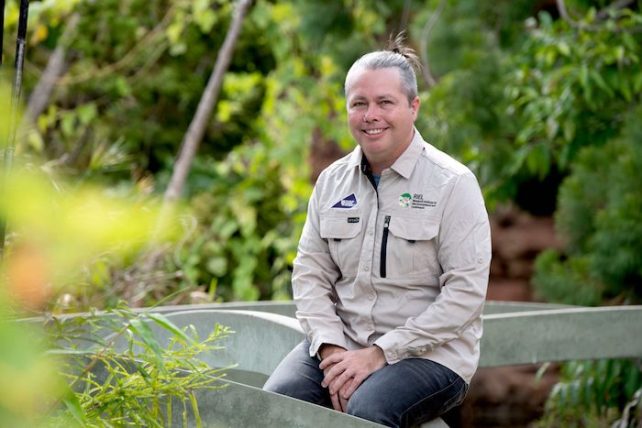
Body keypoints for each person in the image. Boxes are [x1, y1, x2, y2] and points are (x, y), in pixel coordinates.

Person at [263, 34, 491, 428]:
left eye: (385, 102)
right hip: (343, 343)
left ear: (413, 107)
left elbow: (465, 294)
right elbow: (310, 273)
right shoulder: (331, 182)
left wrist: (380, 353)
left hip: (430, 356)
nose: (371, 115)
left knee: (368, 411)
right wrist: (333, 349)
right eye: (359, 103)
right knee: (275, 405)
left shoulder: (453, 184)